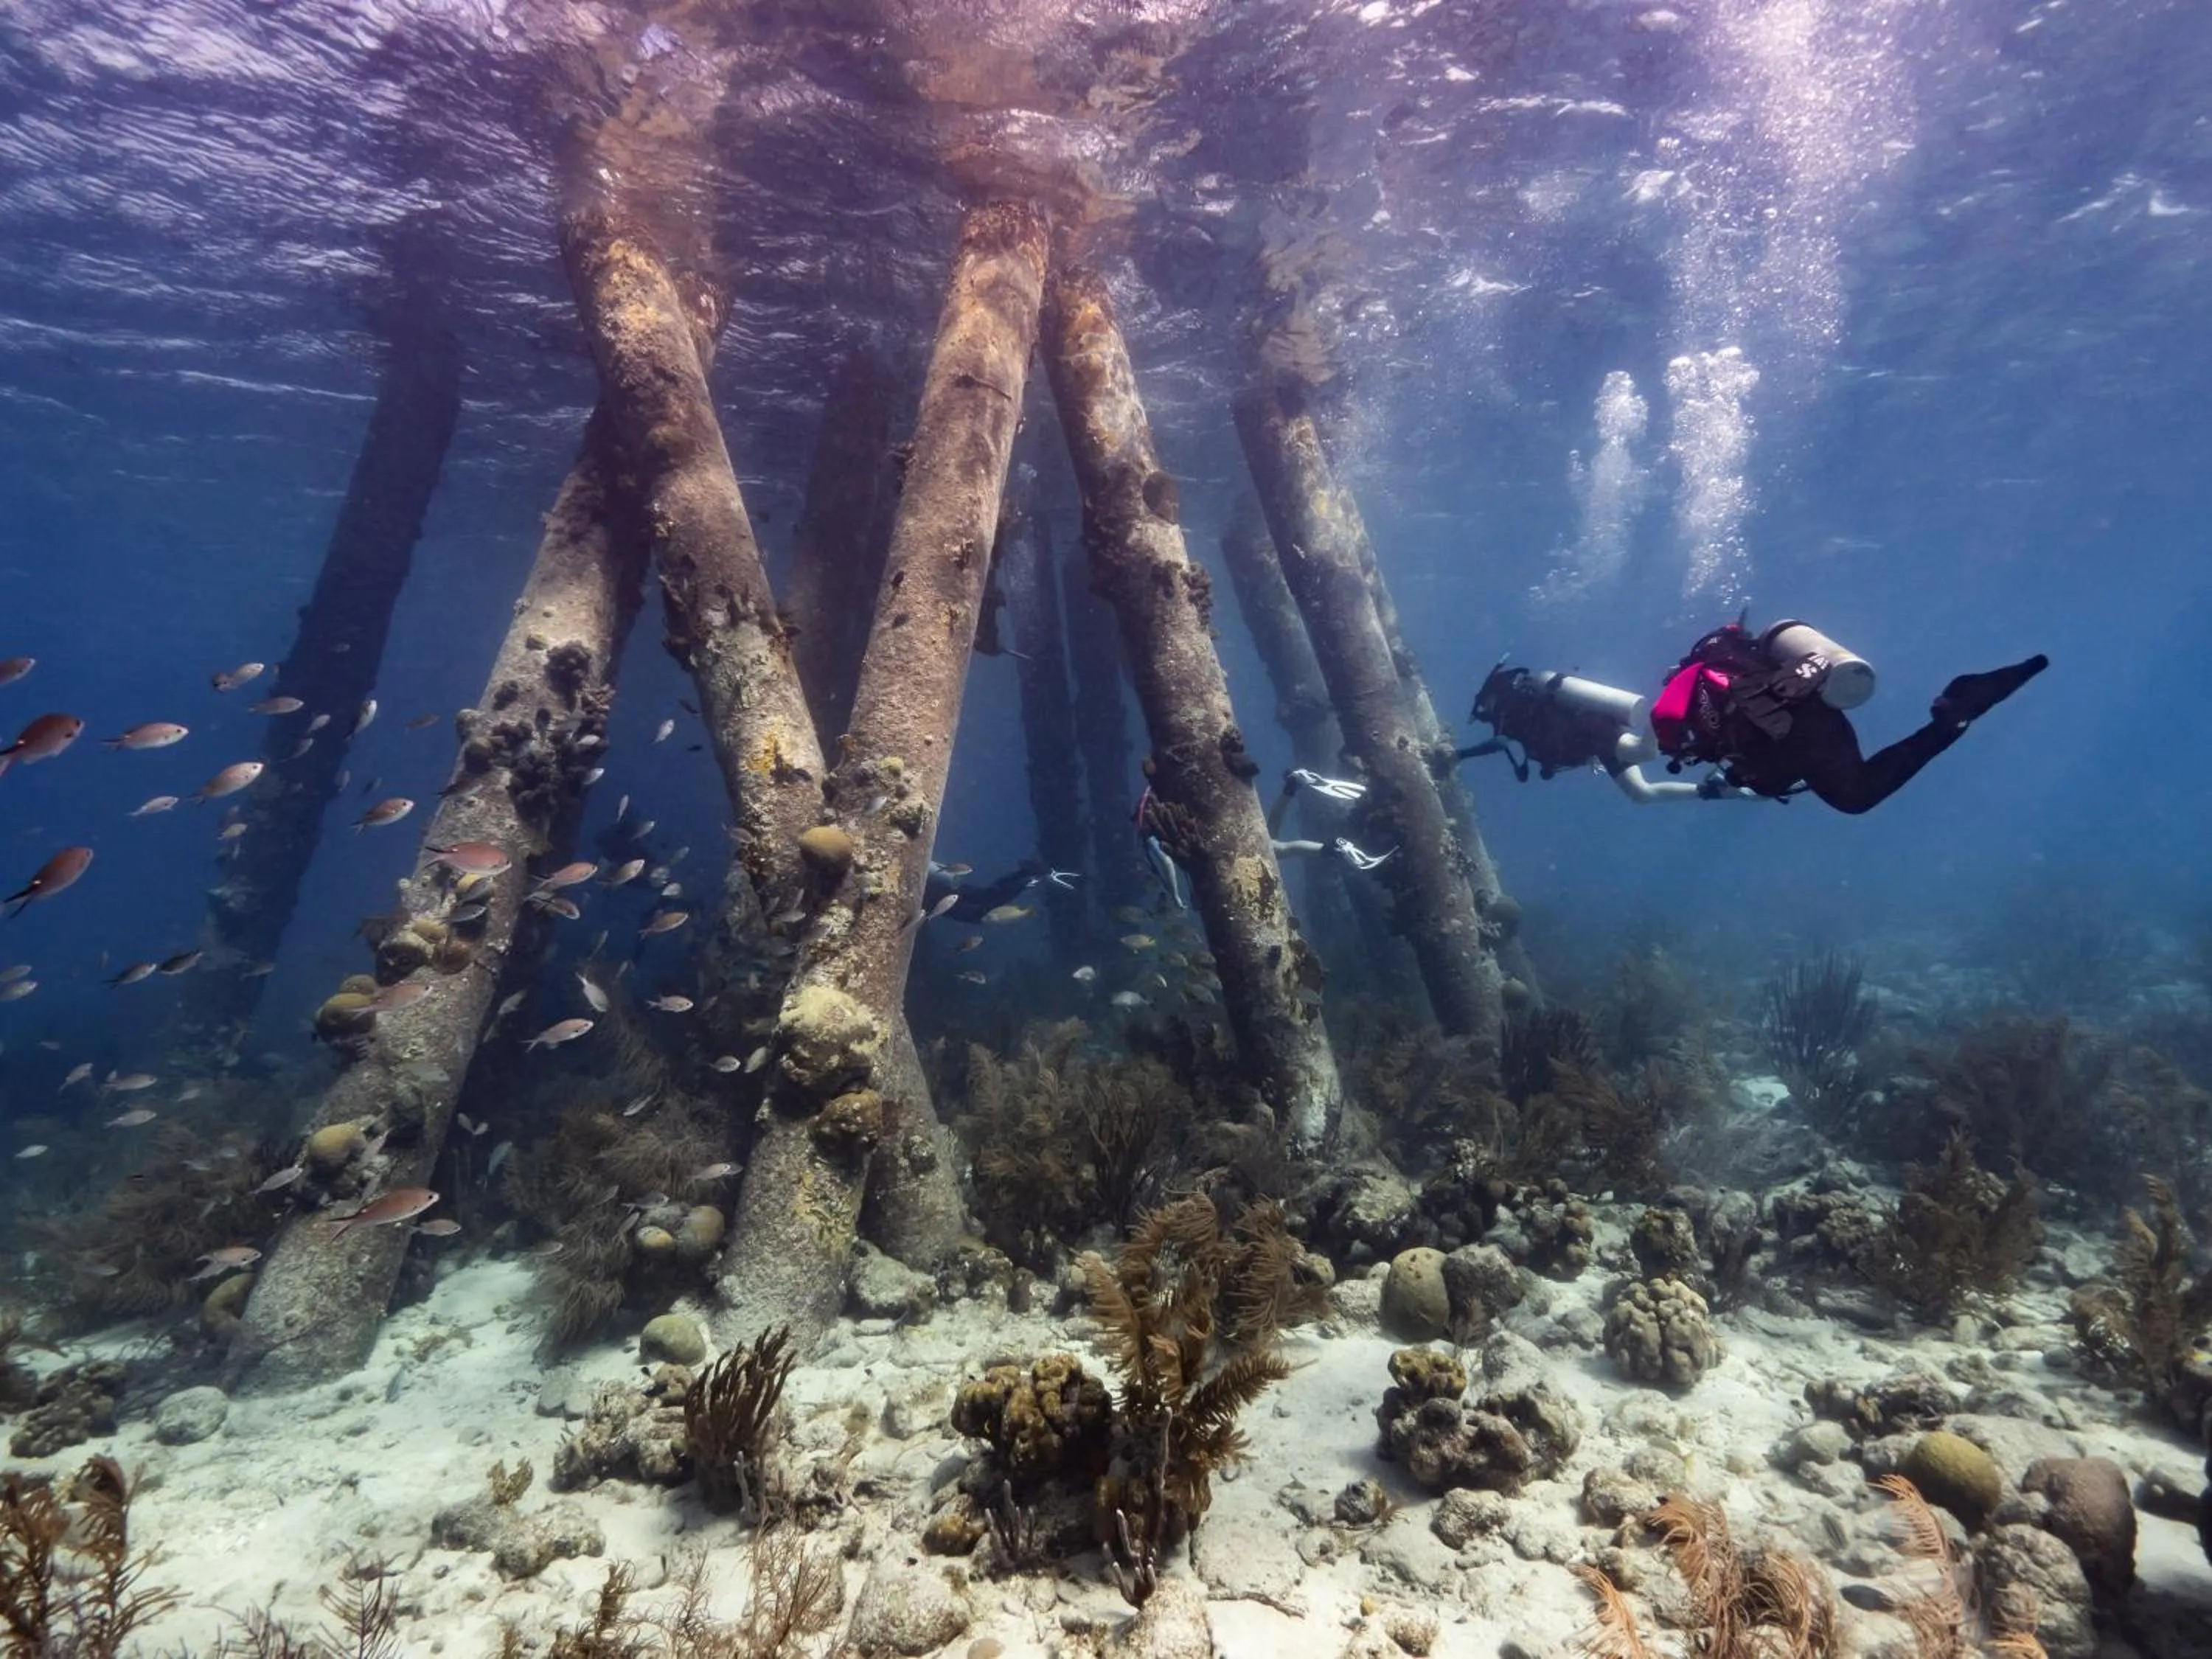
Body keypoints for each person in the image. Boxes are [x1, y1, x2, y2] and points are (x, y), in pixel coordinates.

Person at [1462, 617, 2046, 814]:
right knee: (1856, 796)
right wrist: (1721, 795)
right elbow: (1644, 791)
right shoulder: (1684, 708)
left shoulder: (1673, 708)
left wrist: (1633, 743)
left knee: (1854, 796)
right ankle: (1952, 716)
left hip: (1792, 727)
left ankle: (1950, 718)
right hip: (1800, 730)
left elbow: (1640, 731)